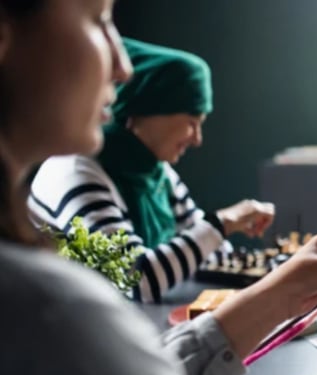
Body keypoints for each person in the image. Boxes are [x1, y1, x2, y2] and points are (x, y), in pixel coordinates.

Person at [0, 1, 317, 375]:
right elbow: (143, 276)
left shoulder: (146, 183)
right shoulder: (47, 312)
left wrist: (286, 286)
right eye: (99, 19)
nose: (122, 66)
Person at [28, 37, 275, 303]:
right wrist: (225, 222)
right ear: (146, 110)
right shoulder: (76, 171)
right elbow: (134, 280)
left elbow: (205, 252)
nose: (197, 139)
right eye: (191, 122)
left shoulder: (157, 171)